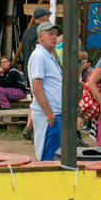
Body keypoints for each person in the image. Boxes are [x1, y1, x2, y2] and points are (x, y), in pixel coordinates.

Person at [28, 21, 62, 161]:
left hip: (55, 112)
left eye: (55, 34)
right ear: (40, 37)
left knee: (55, 154)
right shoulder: (39, 56)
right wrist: (50, 114)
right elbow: (36, 88)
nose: (54, 37)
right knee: (47, 155)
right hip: (48, 114)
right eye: (50, 34)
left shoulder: (49, 55)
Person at [18, 6, 50, 139]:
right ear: (42, 18)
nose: (48, 18)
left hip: (28, 68)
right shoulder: (40, 32)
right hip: (38, 70)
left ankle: (29, 127)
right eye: (47, 16)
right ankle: (36, 131)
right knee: (41, 98)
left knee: (36, 99)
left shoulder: (27, 32)